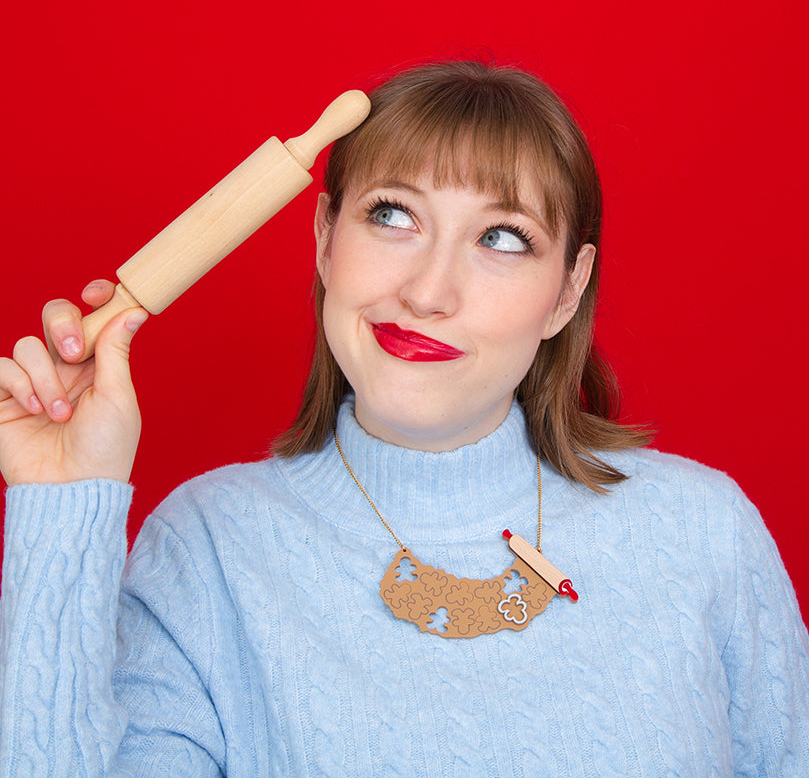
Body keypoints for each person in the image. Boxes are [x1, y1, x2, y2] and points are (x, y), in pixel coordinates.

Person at [1, 60, 807, 777]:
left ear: (566, 290)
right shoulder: (207, 549)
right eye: (392, 215)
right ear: (324, 238)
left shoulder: (700, 531)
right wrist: (60, 501)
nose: (426, 292)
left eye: (501, 237)